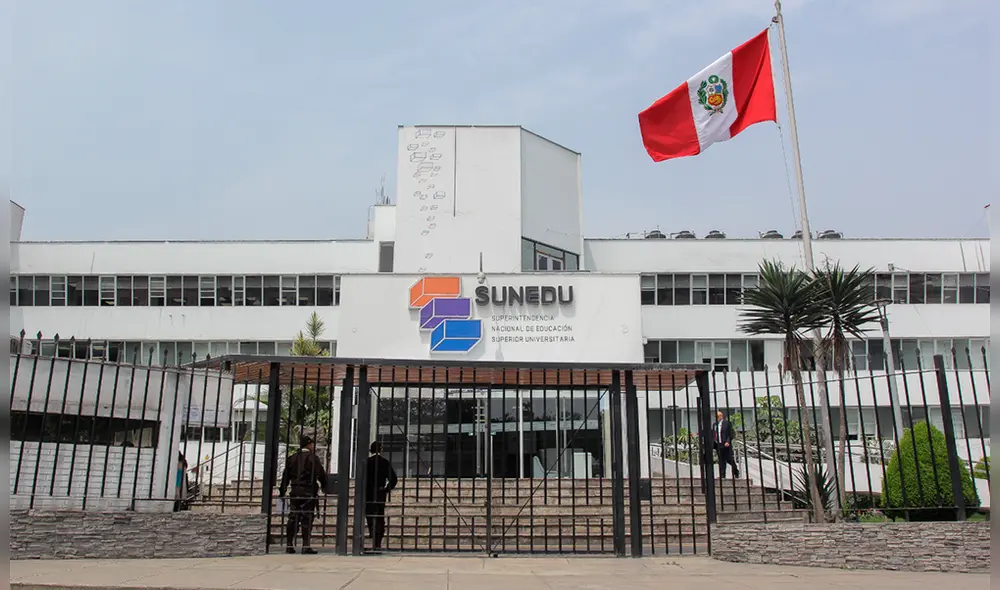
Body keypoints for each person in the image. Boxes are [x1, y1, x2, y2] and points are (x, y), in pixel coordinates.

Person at [279, 435, 328, 554]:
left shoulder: (292, 458)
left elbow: (285, 476)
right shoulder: (312, 458)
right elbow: (321, 474)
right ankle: (306, 545)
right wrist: (325, 486)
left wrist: (282, 491)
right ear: (309, 444)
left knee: (293, 518)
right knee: (307, 518)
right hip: (308, 491)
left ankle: (289, 544)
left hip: (295, 491)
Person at [364, 441, 398, 552]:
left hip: (368, 493)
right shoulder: (384, 462)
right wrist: (386, 489)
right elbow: (393, 479)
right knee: (379, 517)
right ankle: (377, 542)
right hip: (379, 493)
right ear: (380, 450)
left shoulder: (367, 462)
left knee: (370, 516)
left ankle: (372, 534)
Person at [712, 410, 740, 479]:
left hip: (725, 444)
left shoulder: (727, 423)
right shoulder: (714, 424)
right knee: (721, 460)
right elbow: (714, 433)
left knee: (729, 459)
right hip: (718, 444)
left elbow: (730, 434)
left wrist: (728, 441)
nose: (716, 418)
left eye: (717, 416)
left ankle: (736, 471)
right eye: (715, 417)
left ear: (721, 416)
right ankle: (722, 475)